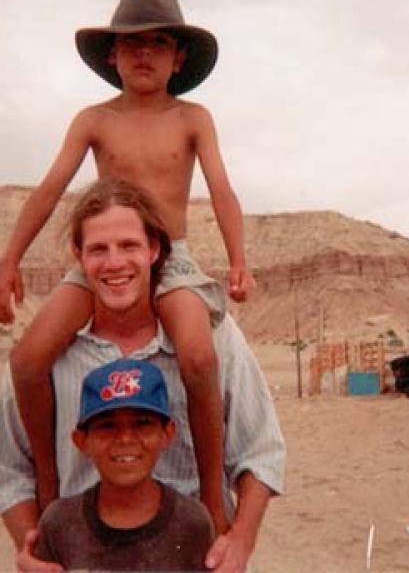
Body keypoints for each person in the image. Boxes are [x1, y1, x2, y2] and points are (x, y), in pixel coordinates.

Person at [0, 0, 253, 532]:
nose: (144, 53)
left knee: (199, 356)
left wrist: (238, 259)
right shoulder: (94, 120)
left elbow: (222, 189)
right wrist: (8, 260)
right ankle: (48, 481)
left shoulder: (193, 118)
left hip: (172, 260)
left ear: (177, 56)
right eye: (131, 43)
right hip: (104, 260)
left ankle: (211, 491)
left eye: (158, 42)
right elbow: (49, 189)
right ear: (111, 55)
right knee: (26, 359)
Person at [0, 178, 285, 572]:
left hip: (195, 557)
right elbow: (10, 467)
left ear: (154, 249)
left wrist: (242, 540)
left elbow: (260, 451)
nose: (115, 263)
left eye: (129, 246)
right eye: (98, 249)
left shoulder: (213, 339)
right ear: (78, 256)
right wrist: (34, 548)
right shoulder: (48, 354)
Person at [34, 358, 215, 570]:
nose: (125, 438)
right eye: (107, 426)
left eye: (142, 423)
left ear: (167, 434)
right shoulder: (59, 524)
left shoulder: (192, 523)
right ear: (81, 441)